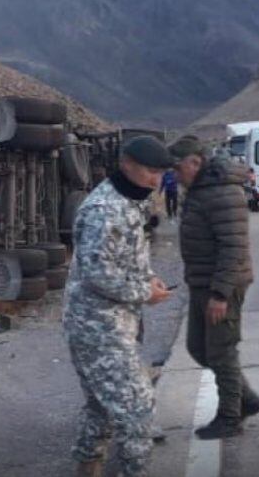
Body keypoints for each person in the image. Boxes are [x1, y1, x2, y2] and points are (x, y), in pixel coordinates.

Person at [63, 136, 174, 477]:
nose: (156, 181)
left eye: (160, 173)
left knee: (103, 405)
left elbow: (126, 257)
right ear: (126, 163)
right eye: (149, 172)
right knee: (138, 406)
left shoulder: (130, 200)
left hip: (113, 321)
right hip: (97, 325)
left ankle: (88, 466)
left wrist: (149, 278)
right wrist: (145, 292)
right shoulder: (104, 210)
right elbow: (98, 274)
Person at [169, 135, 259, 440]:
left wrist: (220, 294)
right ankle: (246, 399)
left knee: (221, 351)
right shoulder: (200, 190)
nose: (174, 175)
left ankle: (230, 417)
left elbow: (233, 247)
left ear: (195, 162)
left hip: (222, 285)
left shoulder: (222, 193)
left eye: (177, 168)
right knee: (198, 348)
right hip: (201, 283)